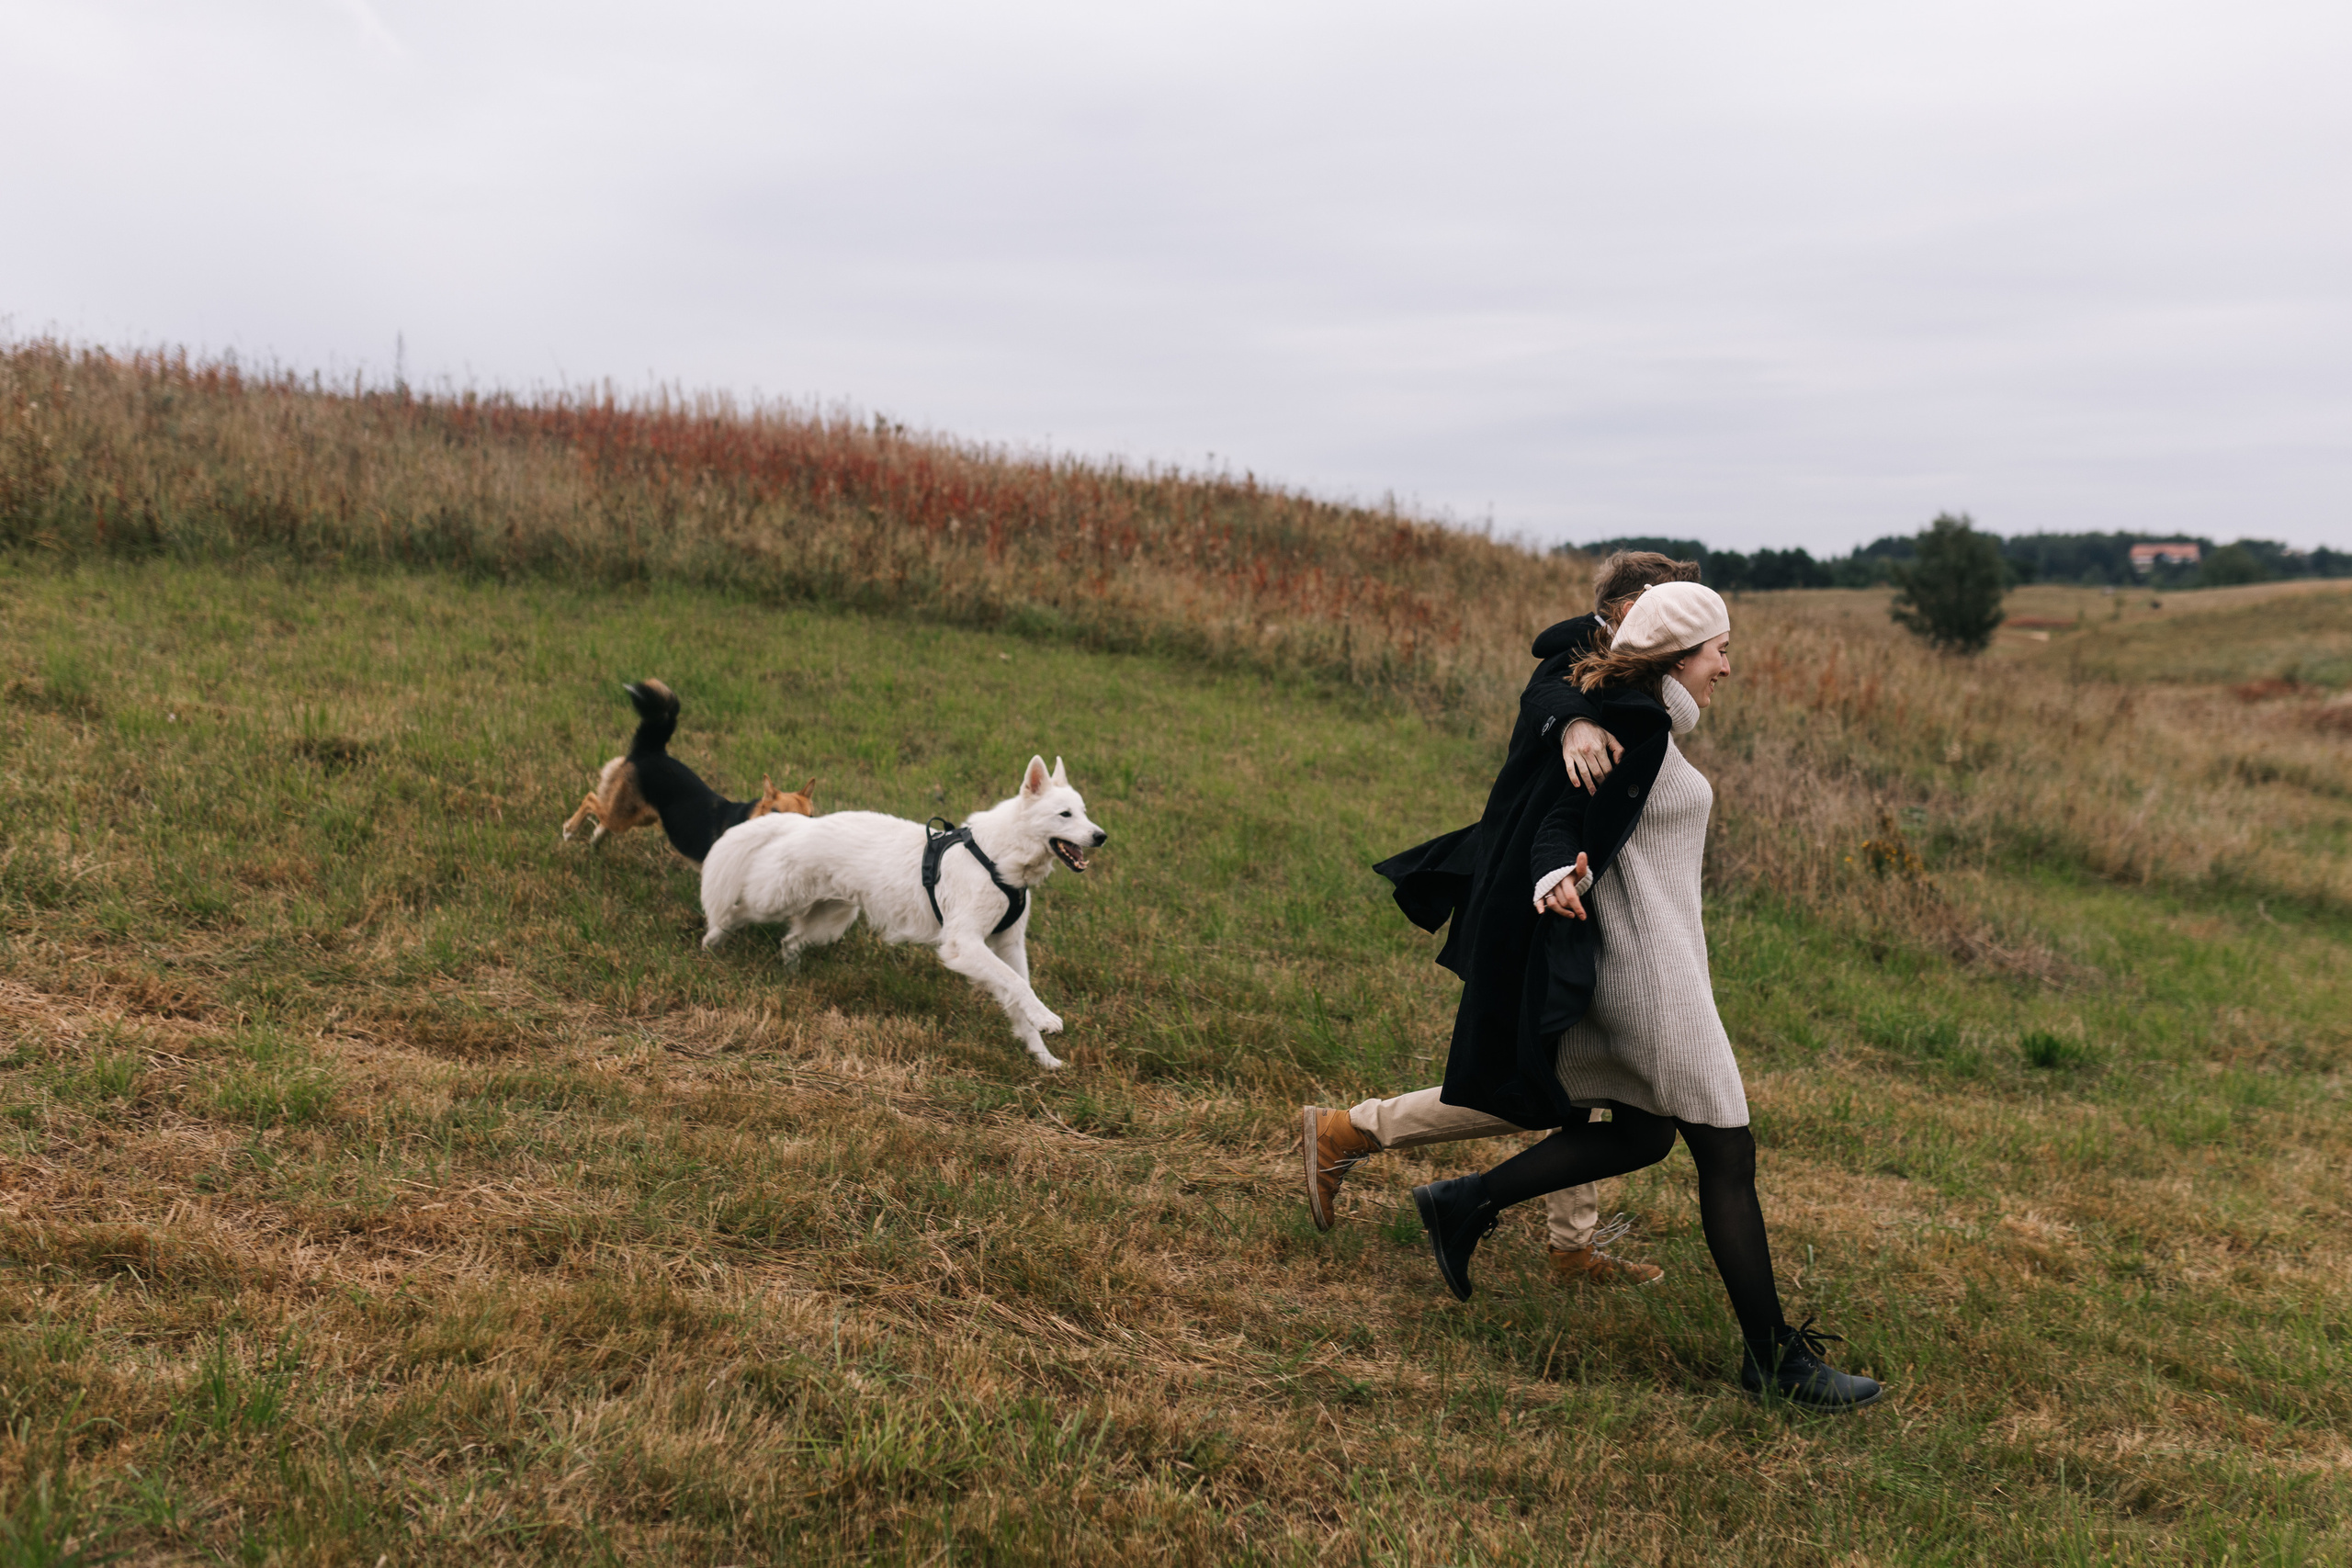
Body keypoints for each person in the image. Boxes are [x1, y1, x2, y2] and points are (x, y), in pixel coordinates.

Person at [1408, 581, 1883, 1411]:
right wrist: (1555, 868)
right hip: (1646, 972)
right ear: (1677, 654)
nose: (1728, 667)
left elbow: (1568, 668)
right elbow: (1561, 814)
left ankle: (1464, 1199)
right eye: (1719, 650)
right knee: (1727, 1150)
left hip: (1662, 957)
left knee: (1643, 1132)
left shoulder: (1631, 709)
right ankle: (1773, 1358)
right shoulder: (1634, 719)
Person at [1302, 552, 1701, 1287]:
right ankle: (1350, 1128)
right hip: (1537, 892)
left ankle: (1570, 1246)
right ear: (1628, 607)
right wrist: (1576, 721)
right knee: (1537, 1084)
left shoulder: (1640, 676)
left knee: (1578, 1081)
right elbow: (1546, 689)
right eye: (1661, 606)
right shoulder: (1575, 660)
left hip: (1585, 898)